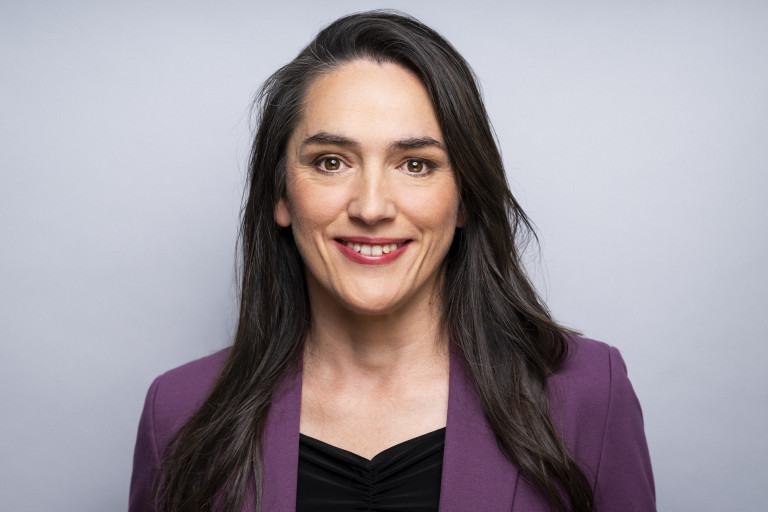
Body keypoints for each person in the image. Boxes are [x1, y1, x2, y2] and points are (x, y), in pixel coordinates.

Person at [129, 10, 655, 512]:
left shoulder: (587, 392)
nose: (372, 208)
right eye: (331, 162)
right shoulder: (177, 412)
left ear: (465, 198)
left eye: (416, 165)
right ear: (280, 194)